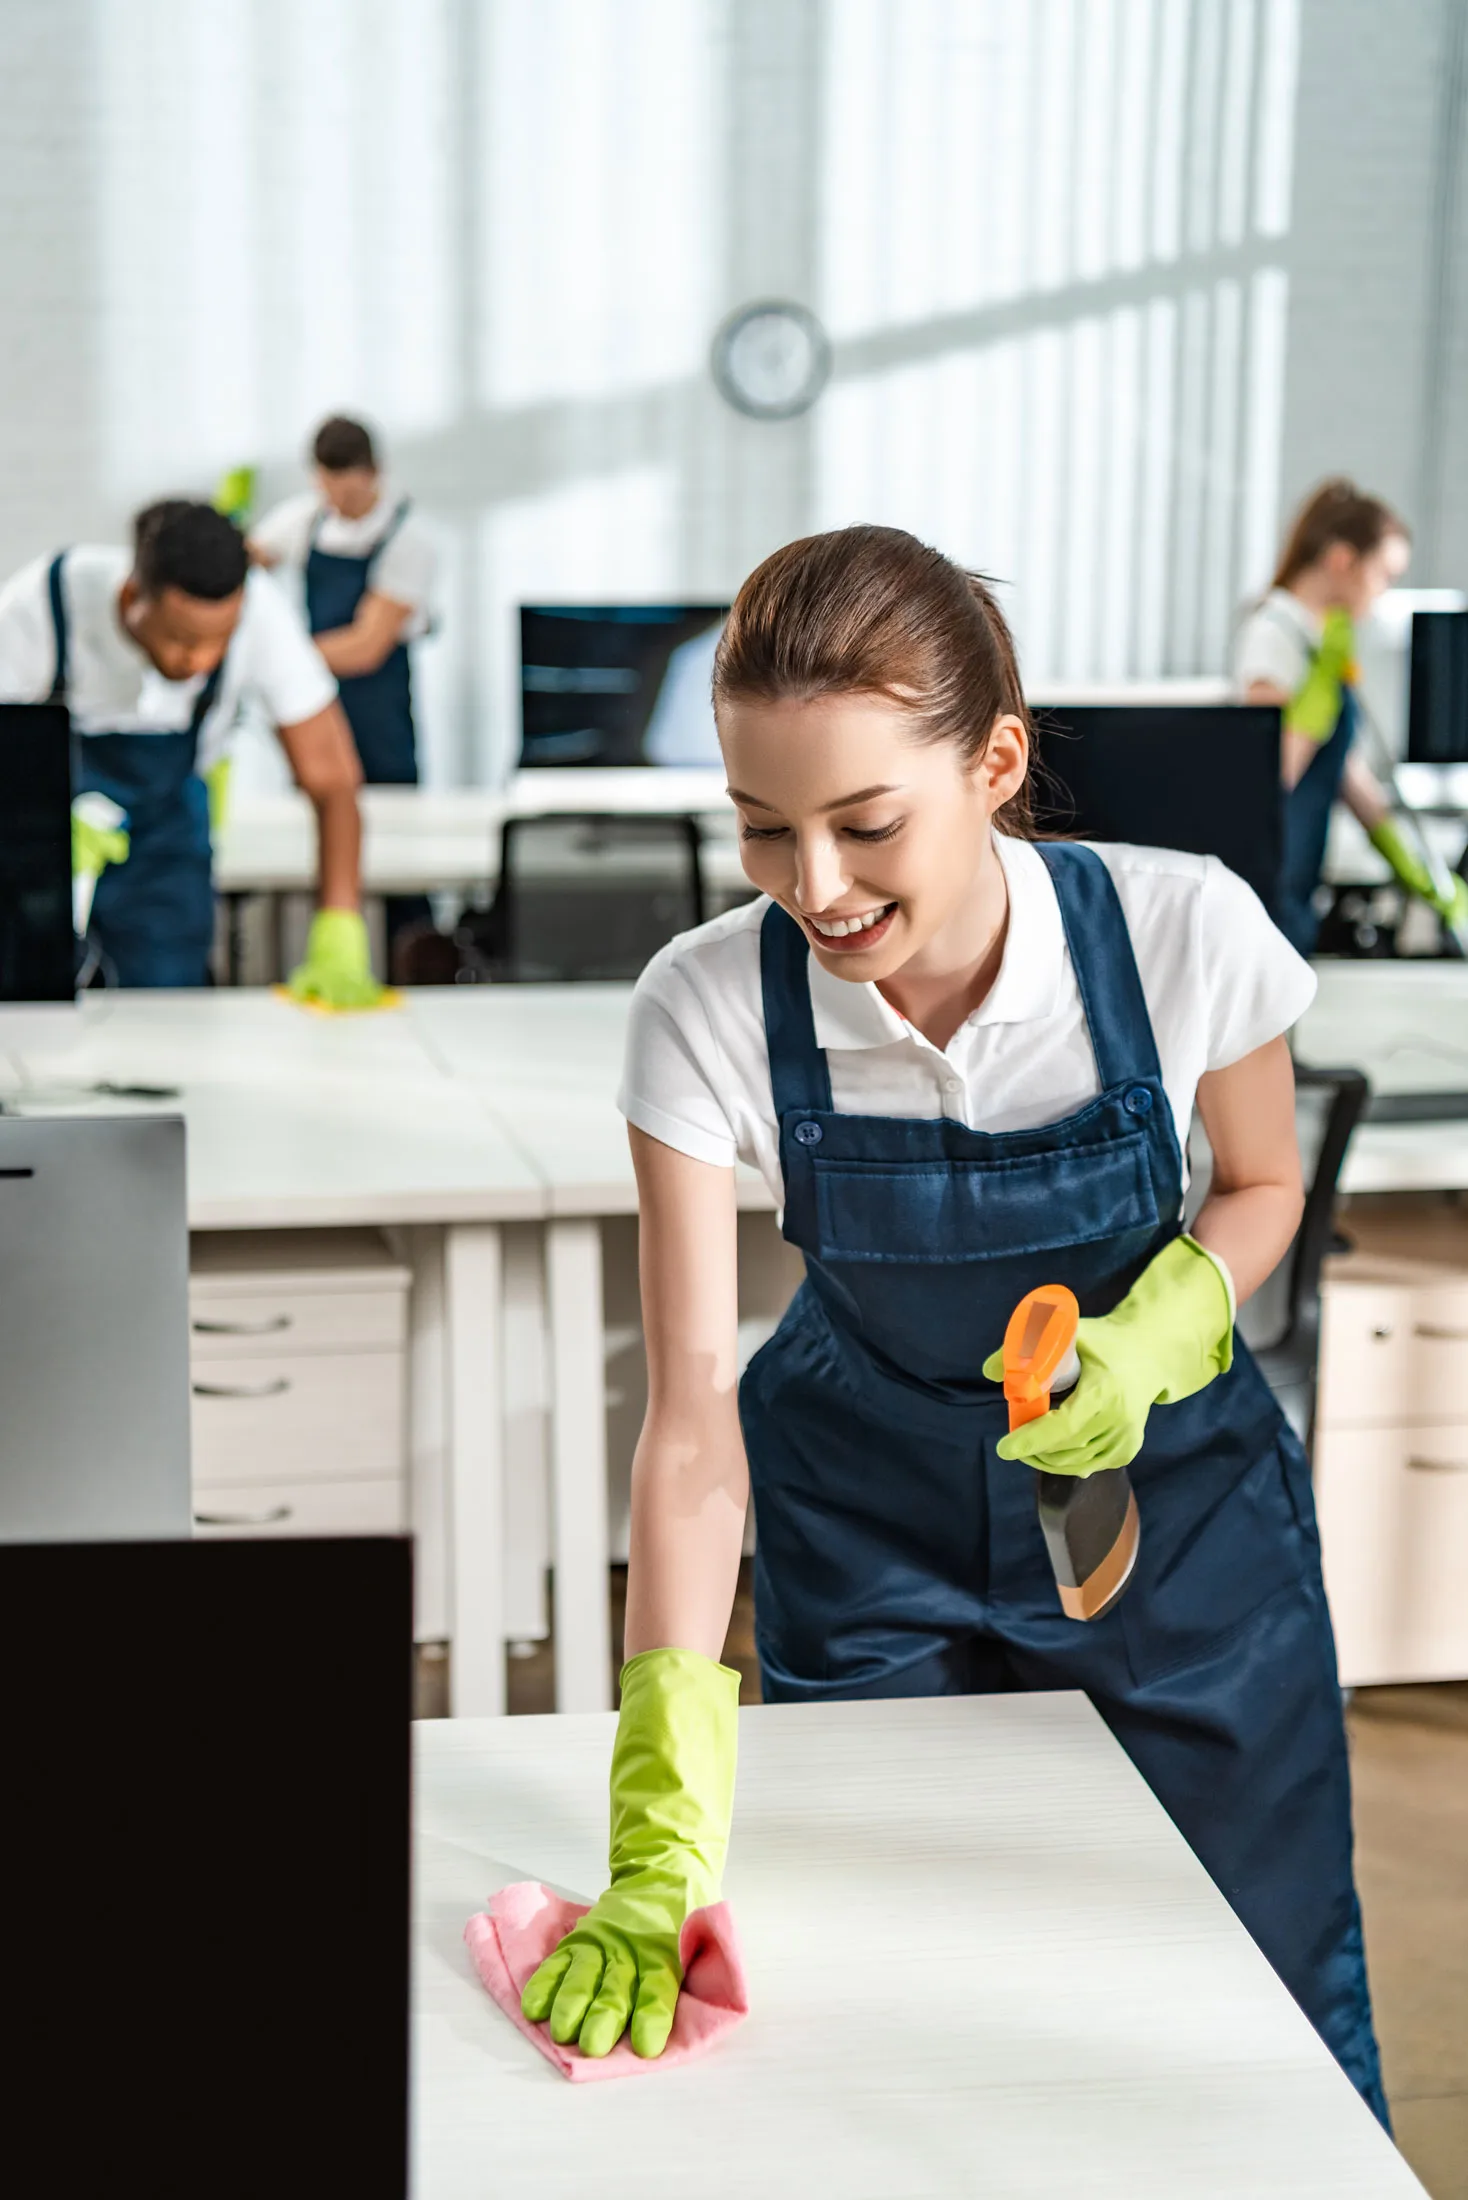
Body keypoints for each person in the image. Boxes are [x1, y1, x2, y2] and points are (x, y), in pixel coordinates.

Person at [517, 525, 1390, 2128]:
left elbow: (1263, 1183)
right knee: (882, 1991)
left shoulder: (1179, 930)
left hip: (1177, 1522)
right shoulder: (707, 1008)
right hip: (866, 1522)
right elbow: (695, 1417)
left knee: (1261, 1982)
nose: (815, 890)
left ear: (995, 763)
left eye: (864, 826)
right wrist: (655, 1826)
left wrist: (1159, 1328)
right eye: (762, 831)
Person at [0, 500, 381, 1001]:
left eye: (218, 642)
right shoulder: (43, 605)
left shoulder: (261, 613)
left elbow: (332, 781)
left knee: (166, 1003)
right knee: (27, 999)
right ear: (133, 595)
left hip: (168, 844)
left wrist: (339, 927)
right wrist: (34, 827)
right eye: (181, 640)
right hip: (44, 847)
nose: (200, 660)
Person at [1234, 476, 1465, 955]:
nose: (1382, 594)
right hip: (1267, 885)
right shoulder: (1275, 634)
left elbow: (1350, 778)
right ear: (1342, 560)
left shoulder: (1318, 641)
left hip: (1296, 885)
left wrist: (1419, 873)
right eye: (1384, 574)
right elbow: (1264, 781)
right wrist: (1313, 708)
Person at [250, 415, 438, 958]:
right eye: (329, 487)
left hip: (380, 726)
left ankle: (410, 966)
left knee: (398, 862)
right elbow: (246, 564)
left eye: (351, 489)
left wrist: (278, 656)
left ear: (375, 473)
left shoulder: (410, 539)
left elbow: (365, 646)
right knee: (316, 847)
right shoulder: (303, 521)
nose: (341, 501)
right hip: (317, 716)